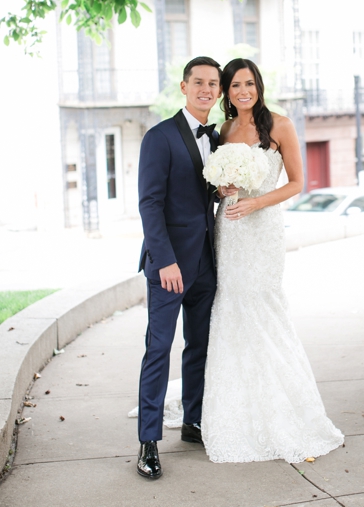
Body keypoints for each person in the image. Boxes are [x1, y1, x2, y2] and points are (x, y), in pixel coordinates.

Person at [201, 57, 344, 463]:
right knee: (230, 306)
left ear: (258, 86)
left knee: (264, 306)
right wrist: (224, 189)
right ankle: (235, 404)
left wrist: (256, 202)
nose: (242, 91)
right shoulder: (225, 129)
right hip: (228, 228)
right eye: (234, 86)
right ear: (227, 93)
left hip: (261, 229)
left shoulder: (280, 125)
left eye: (249, 83)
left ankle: (284, 407)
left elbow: (298, 182)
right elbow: (217, 185)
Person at [136, 56, 222, 479]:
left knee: (200, 346)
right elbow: (149, 203)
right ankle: (148, 441)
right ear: (184, 87)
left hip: (206, 262)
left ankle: (194, 421)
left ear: (219, 92)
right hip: (169, 265)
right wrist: (165, 259)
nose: (206, 89)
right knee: (158, 349)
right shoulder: (159, 137)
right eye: (198, 82)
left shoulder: (219, 138)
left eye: (213, 84)